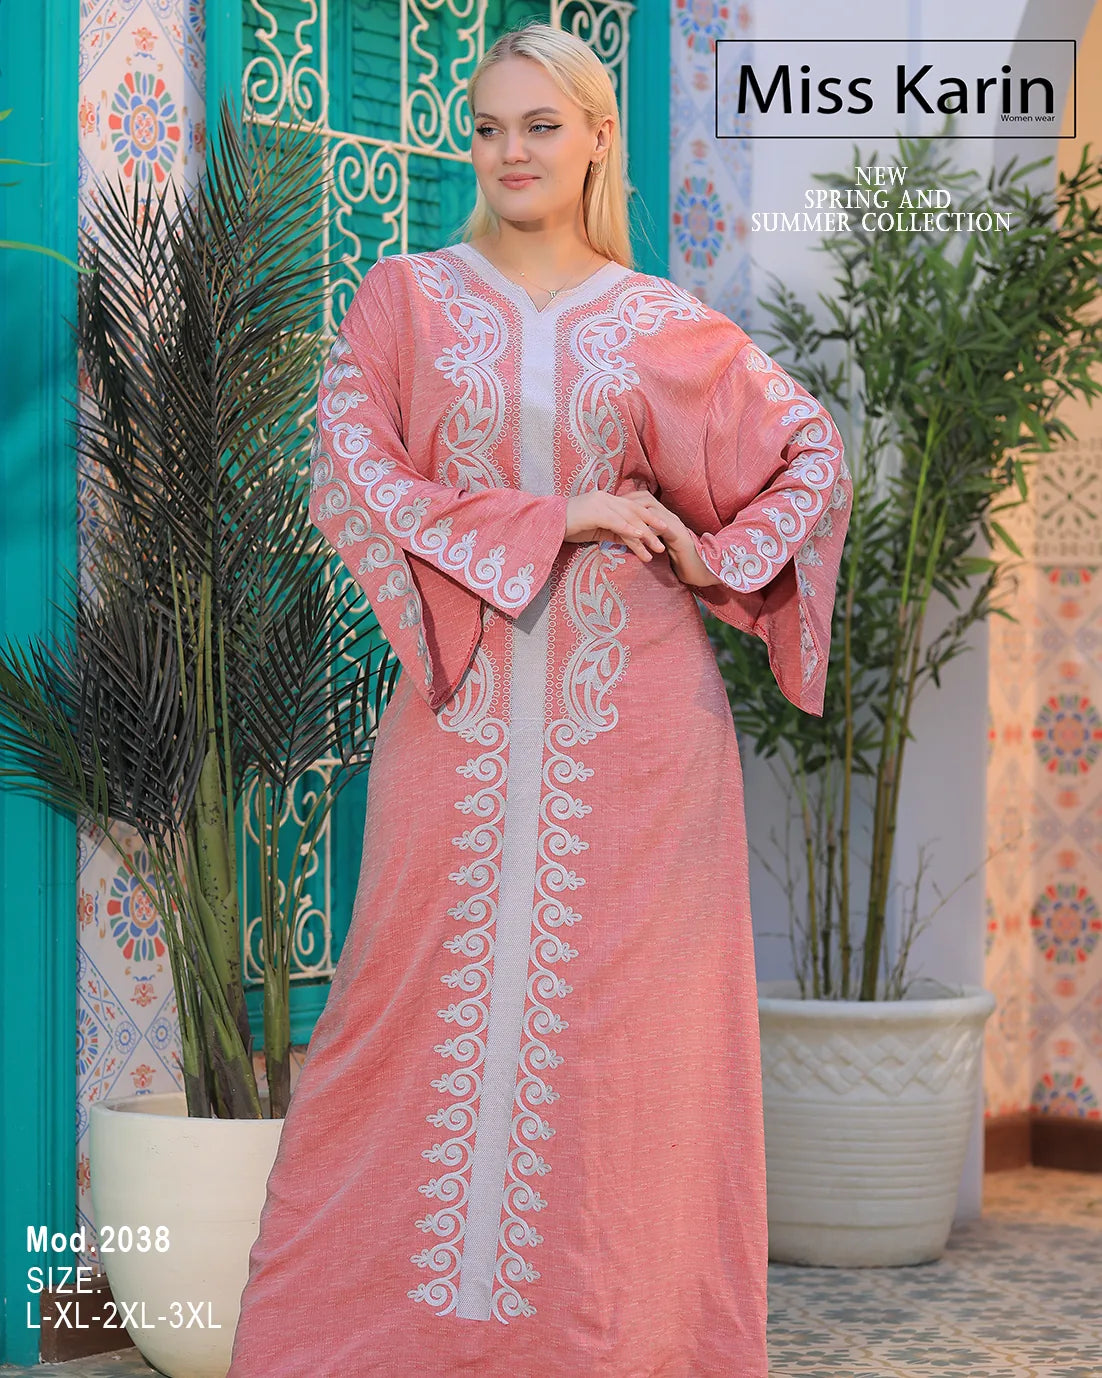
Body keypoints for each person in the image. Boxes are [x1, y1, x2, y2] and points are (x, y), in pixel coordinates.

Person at [226, 19, 851, 1378]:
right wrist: (556, 513)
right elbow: (352, 469)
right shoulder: (403, 296)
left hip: (635, 742)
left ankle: (620, 1343)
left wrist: (716, 550)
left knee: (630, 1060)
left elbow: (808, 455)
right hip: (456, 717)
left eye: (541, 126)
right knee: (392, 1024)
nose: (512, 150)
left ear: (591, 143)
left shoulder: (658, 323)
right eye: (490, 125)